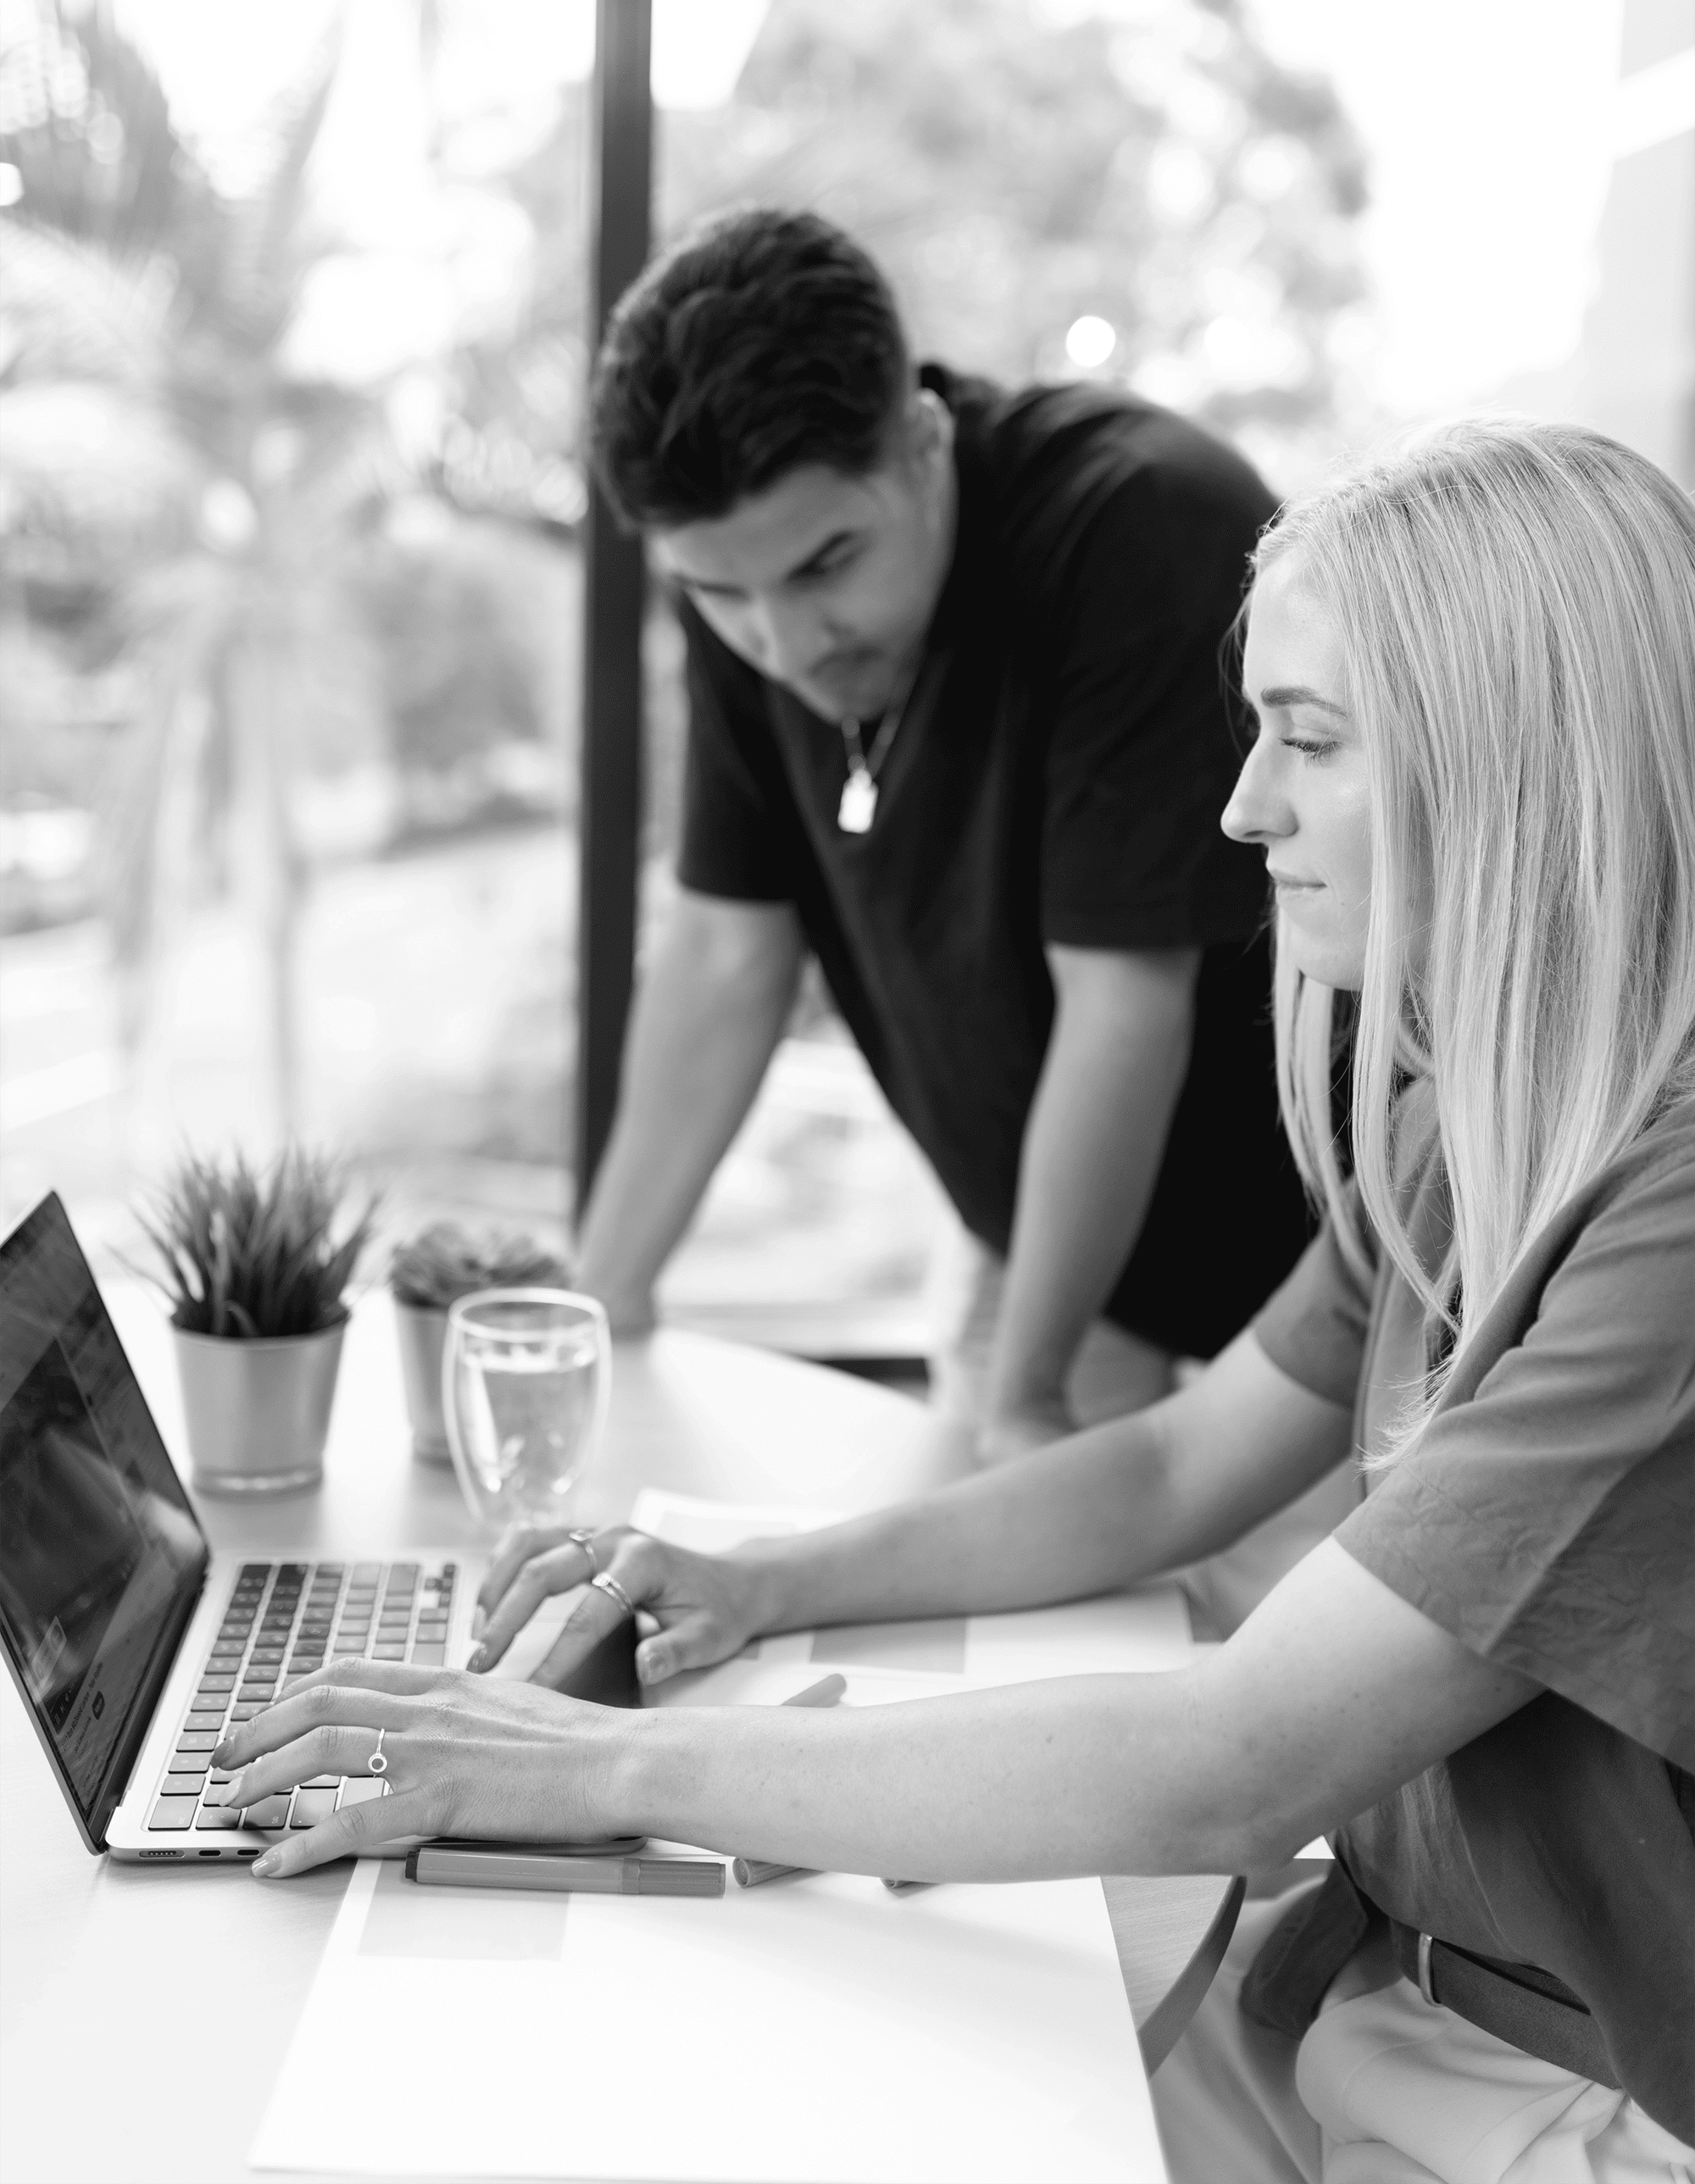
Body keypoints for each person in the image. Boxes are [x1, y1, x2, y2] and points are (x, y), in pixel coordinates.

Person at [211, 420, 1695, 2176]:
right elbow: (1170, 1466)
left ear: (1516, 769)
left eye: (1309, 741)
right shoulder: (1471, 1117)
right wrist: (760, 1581)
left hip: (1558, 2103)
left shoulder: (1663, 1220)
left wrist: (571, 1764)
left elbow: (1237, 1762)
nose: (1241, 810)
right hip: (1379, 1995)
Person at [575, 208, 1327, 1595]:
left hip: (1306, 1290)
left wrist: (1024, 1399)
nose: (784, 647)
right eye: (722, 598)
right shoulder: (748, 578)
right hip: (1034, 1237)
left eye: (826, 570)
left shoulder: (1135, 521)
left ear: (921, 442)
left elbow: (1123, 1005)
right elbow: (729, 957)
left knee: (1280, 1706)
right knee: (980, 1660)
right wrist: (587, 1314)